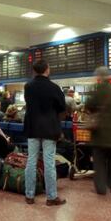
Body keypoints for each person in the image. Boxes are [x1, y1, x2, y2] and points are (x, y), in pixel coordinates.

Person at [24, 59, 66, 206]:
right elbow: (62, 107)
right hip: (50, 127)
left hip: (33, 127)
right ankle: (51, 197)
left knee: (31, 161)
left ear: (35, 71)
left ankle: (29, 195)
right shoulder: (54, 87)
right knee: (49, 162)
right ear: (47, 70)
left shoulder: (28, 87)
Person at [86, 66, 111, 195]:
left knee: (99, 163)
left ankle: (101, 188)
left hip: (101, 134)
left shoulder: (98, 89)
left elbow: (89, 105)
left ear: (99, 77)